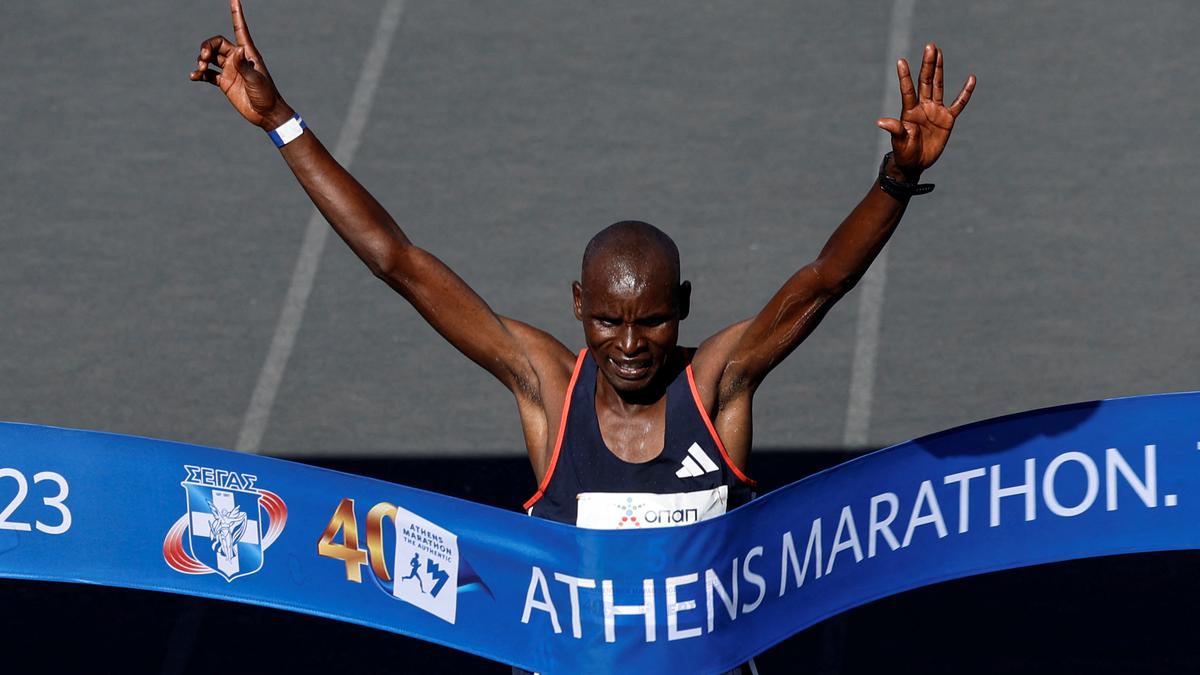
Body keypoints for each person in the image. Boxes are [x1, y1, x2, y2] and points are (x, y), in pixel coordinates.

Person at [191, 2, 973, 530]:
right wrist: (279, 121)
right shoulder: (545, 387)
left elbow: (823, 280)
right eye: (608, 319)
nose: (629, 343)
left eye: (652, 319)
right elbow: (399, 262)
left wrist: (896, 180)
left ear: (686, 306)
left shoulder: (718, 386)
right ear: (576, 306)